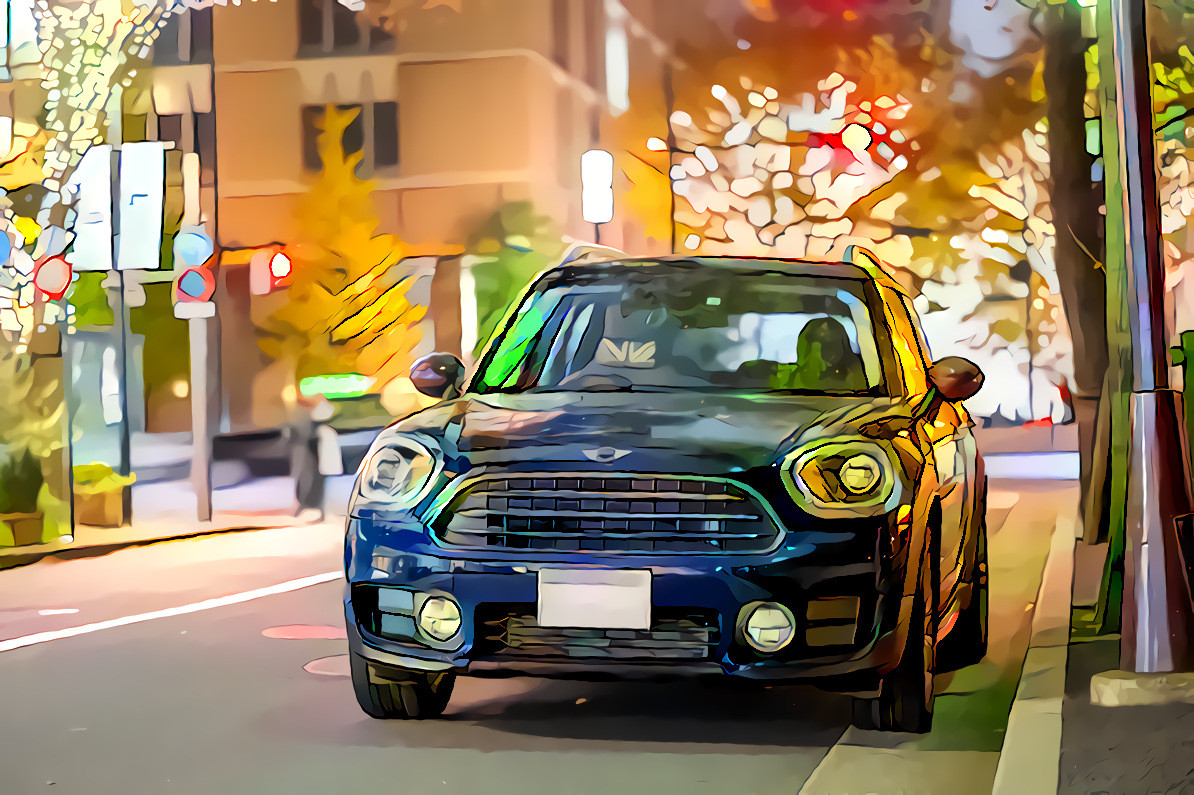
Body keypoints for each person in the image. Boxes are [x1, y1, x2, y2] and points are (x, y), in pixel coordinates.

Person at [286, 392, 334, 523]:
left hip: (319, 452)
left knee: (318, 481)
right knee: (309, 479)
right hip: (313, 452)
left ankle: (319, 509)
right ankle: (309, 505)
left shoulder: (320, 417)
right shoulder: (313, 416)